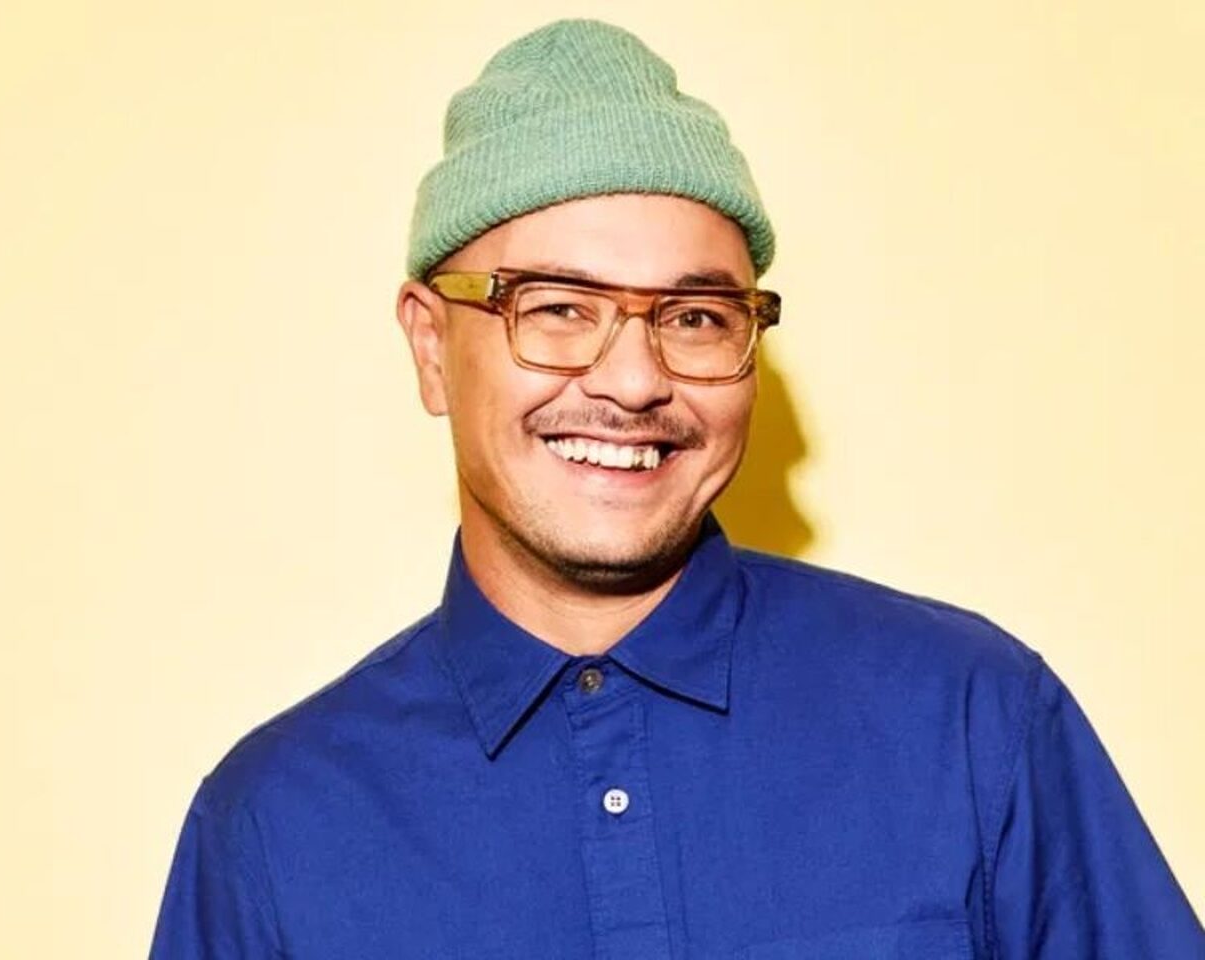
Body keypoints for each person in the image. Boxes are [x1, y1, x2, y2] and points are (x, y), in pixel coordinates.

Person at [149, 18, 1204, 959]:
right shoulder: (272, 828)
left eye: (694, 318)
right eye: (556, 307)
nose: (633, 381)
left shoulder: (969, 717)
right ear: (431, 348)